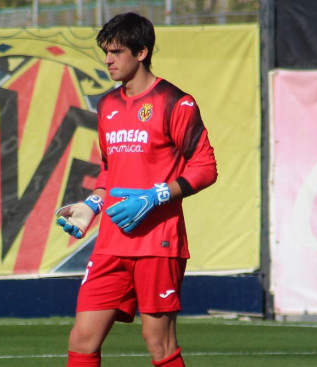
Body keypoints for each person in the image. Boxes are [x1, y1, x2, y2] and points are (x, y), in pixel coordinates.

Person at [55, 12, 218, 367]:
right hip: (112, 243)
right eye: (106, 52)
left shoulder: (177, 102)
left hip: (158, 244)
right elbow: (110, 170)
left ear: (141, 52)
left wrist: (156, 195)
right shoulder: (107, 105)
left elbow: (205, 168)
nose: (108, 60)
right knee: (82, 339)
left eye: (116, 52)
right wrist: (92, 205)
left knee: (158, 342)